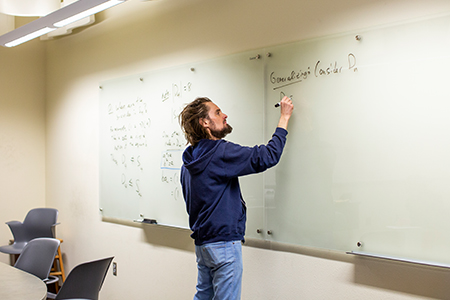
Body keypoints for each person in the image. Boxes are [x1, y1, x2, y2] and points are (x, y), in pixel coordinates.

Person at [179, 96, 294, 300]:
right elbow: (267, 156)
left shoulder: (190, 159)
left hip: (203, 245)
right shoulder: (219, 152)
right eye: (217, 112)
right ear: (204, 123)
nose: (224, 115)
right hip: (223, 245)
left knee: (203, 296)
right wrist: (284, 118)